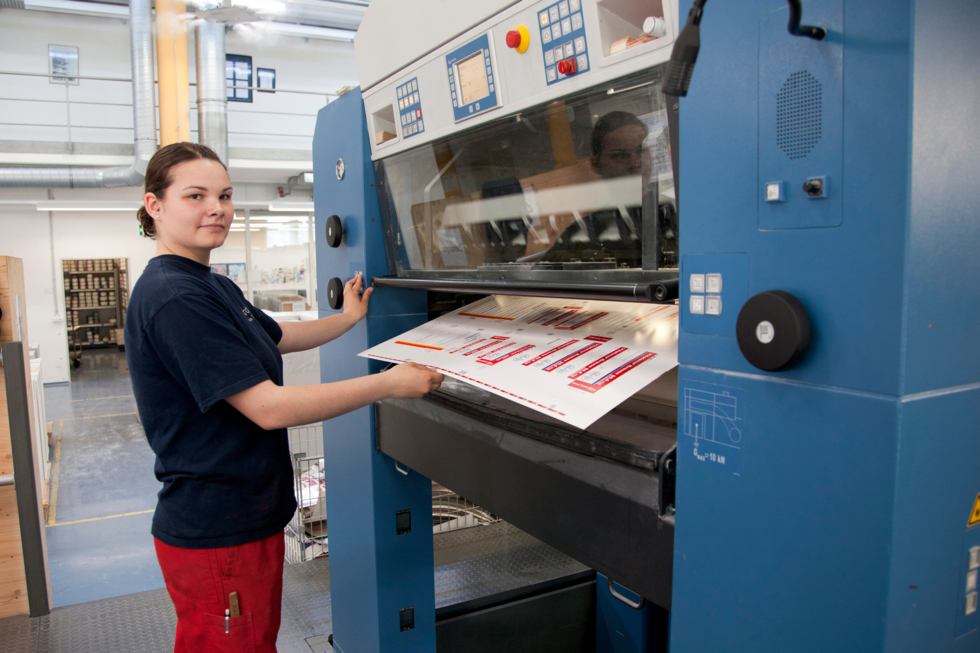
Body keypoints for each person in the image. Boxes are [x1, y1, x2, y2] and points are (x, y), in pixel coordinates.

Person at [125, 142, 443, 653]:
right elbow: (267, 408)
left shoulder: (209, 283)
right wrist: (388, 383)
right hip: (218, 530)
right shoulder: (174, 296)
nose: (217, 208)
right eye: (196, 195)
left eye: (225, 195)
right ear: (154, 205)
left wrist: (347, 318)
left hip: (245, 520)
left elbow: (276, 336)